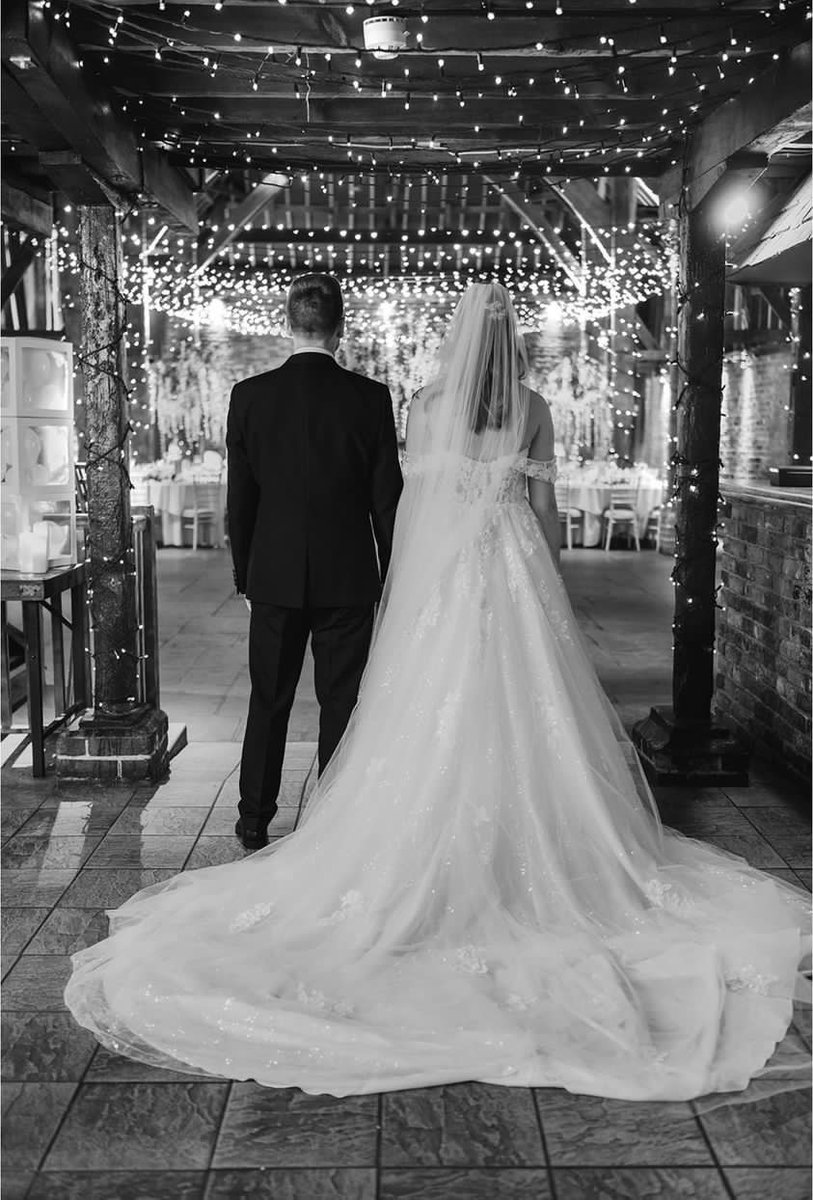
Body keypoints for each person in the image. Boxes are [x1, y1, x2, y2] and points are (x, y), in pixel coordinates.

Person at [65, 282, 810, 1101]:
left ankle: (297, 821)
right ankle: (481, 835)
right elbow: (541, 506)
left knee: (362, 708)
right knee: (519, 712)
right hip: (510, 576)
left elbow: (410, 507)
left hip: (423, 581)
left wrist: (399, 590)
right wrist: (545, 587)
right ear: (512, 338)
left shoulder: (413, 404)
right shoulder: (524, 406)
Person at [226, 273, 402, 850]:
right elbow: (386, 499)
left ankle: (254, 819)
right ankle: (335, 819)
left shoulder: (249, 396)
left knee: (267, 700)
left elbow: (240, 500)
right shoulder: (371, 398)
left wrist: (245, 573)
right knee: (341, 703)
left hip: (273, 574)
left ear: (287, 323)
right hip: (348, 575)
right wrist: (393, 570)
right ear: (341, 328)